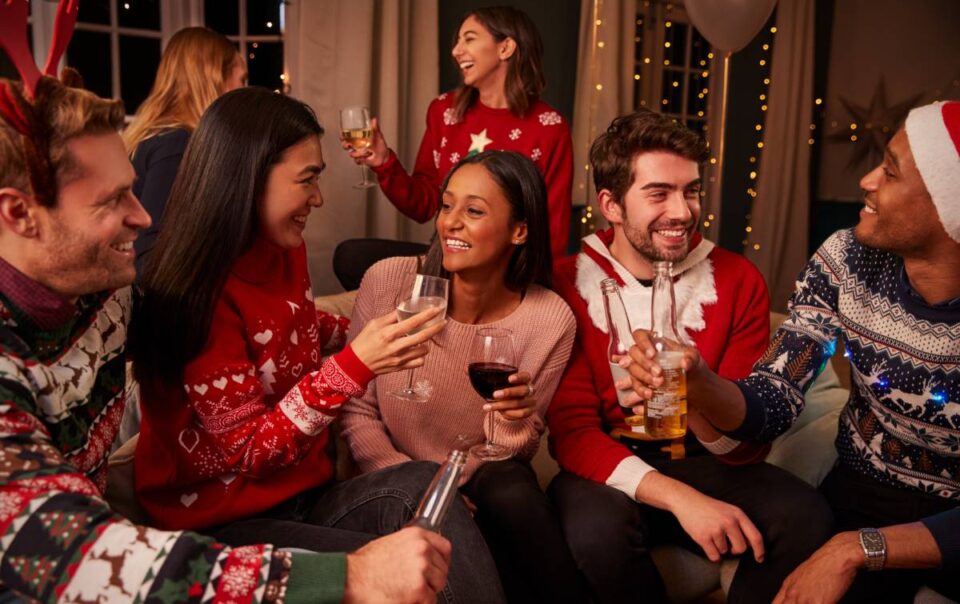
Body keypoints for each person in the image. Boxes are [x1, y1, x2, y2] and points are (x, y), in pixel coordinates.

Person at [0, 62, 451, 604]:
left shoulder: (109, 296)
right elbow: (76, 557)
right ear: (19, 214)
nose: (143, 217)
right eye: (111, 200)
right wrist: (346, 579)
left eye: (133, 191)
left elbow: (272, 334)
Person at [128, 87, 505, 603]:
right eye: (307, 179)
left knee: (427, 484)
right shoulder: (197, 295)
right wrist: (355, 364)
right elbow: (251, 453)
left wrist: (378, 325)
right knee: (408, 563)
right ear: (247, 178)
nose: (318, 198)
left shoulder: (284, 250)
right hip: (223, 528)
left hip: (309, 496)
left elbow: (297, 331)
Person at [627, 100, 960, 603]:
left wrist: (856, 550)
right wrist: (704, 384)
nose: (866, 180)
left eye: (890, 172)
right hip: (860, 491)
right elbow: (775, 396)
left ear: (947, 204)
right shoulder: (848, 257)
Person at [547, 109, 834, 603]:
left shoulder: (739, 279)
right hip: (610, 465)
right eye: (658, 193)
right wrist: (684, 501)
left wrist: (696, 389)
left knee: (808, 517)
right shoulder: (564, 281)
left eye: (691, 191)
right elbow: (572, 434)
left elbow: (748, 446)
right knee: (594, 534)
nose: (681, 211)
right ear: (611, 205)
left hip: (708, 459)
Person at [340, 150, 586, 603]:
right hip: (390, 476)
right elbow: (355, 406)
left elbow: (518, 447)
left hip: (478, 479)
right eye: (447, 205)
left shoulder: (549, 319)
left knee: (512, 492)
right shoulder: (389, 282)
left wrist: (513, 419)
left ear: (520, 230)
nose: (451, 222)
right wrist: (421, 485)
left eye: (473, 211)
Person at [345, 6, 573, 261]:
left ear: (505, 48)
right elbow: (425, 204)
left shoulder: (550, 127)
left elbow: (553, 229)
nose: (456, 51)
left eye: (470, 39)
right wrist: (384, 162)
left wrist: (530, 292)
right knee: (351, 256)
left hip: (507, 269)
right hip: (448, 257)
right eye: (457, 41)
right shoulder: (443, 111)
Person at [122, 27, 246, 271]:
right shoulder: (177, 144)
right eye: (241, 80)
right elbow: (149, 255)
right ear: (212, 80)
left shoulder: (161, 136)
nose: (244, 90)